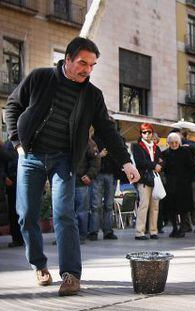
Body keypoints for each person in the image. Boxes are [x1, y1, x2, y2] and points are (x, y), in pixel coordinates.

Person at [5, 37, 140, 296]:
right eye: (82, 63)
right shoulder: (40, 78)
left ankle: (71, 274)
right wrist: (17, 144)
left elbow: (108, 132)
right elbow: (12, 106)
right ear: (67, 59)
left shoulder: (92, 95)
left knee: (65, 214)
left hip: (64, 160)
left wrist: (126, 162)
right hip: (30, 156)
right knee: (26, 214)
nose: (87, 70)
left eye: (92, 65)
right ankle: (39, 265)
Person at [162, 132, 195, 238]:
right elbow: (164, 168)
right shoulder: (165, 153)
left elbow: (192, 167)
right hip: (171, 184)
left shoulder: (185, 151)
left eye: (176, 142)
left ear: (179, 142)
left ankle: (182, 228)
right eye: (171, 143)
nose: (174, 144)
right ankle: (174, 228)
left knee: (183, 208)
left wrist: (188, 180)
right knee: (171, 208)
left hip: (183, 184)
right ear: (168, 143)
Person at [132, 123, 162, 240]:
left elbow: (161, 160)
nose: (147, 134)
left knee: (155, 206)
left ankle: (153, 231)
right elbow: (140, 162)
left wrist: (159, 164)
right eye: (144, 132)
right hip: (144, 179)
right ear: (141, 134)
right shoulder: (137, 147)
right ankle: (140, 232)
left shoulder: (156, 147)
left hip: (155, 179)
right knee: (143, 205)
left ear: (152, 133)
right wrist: (155, 165)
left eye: (149, 132)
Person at [88, 133, 121, 241]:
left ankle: (107, 231)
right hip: (97, 173)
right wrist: (99, 155)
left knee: (109, 205)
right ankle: (94, 231)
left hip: (111, 173)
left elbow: (118, 155)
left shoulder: (113, 138)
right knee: (96, 204)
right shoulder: (94, 139)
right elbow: (88, 155)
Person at [74, 137, 100, 244]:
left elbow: (96, 160)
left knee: (81, 211)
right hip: (65, 181)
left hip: (81, 181)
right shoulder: (63, 137)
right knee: (64, 211)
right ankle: (64, 236)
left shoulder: (88, 142)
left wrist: (89, 175)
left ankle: (81, 236)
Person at [180, 128, 195, 233]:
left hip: (194, 177)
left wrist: (184, 145)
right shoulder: (173, 146)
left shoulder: (192, 144)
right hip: (181, 178)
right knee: (183, 202)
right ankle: (186, 225)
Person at [4, 140, 23, 247]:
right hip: (13, 181)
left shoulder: (8, 144)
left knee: (18, 211)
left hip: (16, 180)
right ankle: (18, 238)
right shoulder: (8, 144)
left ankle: (19, 238)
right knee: (15, 211)